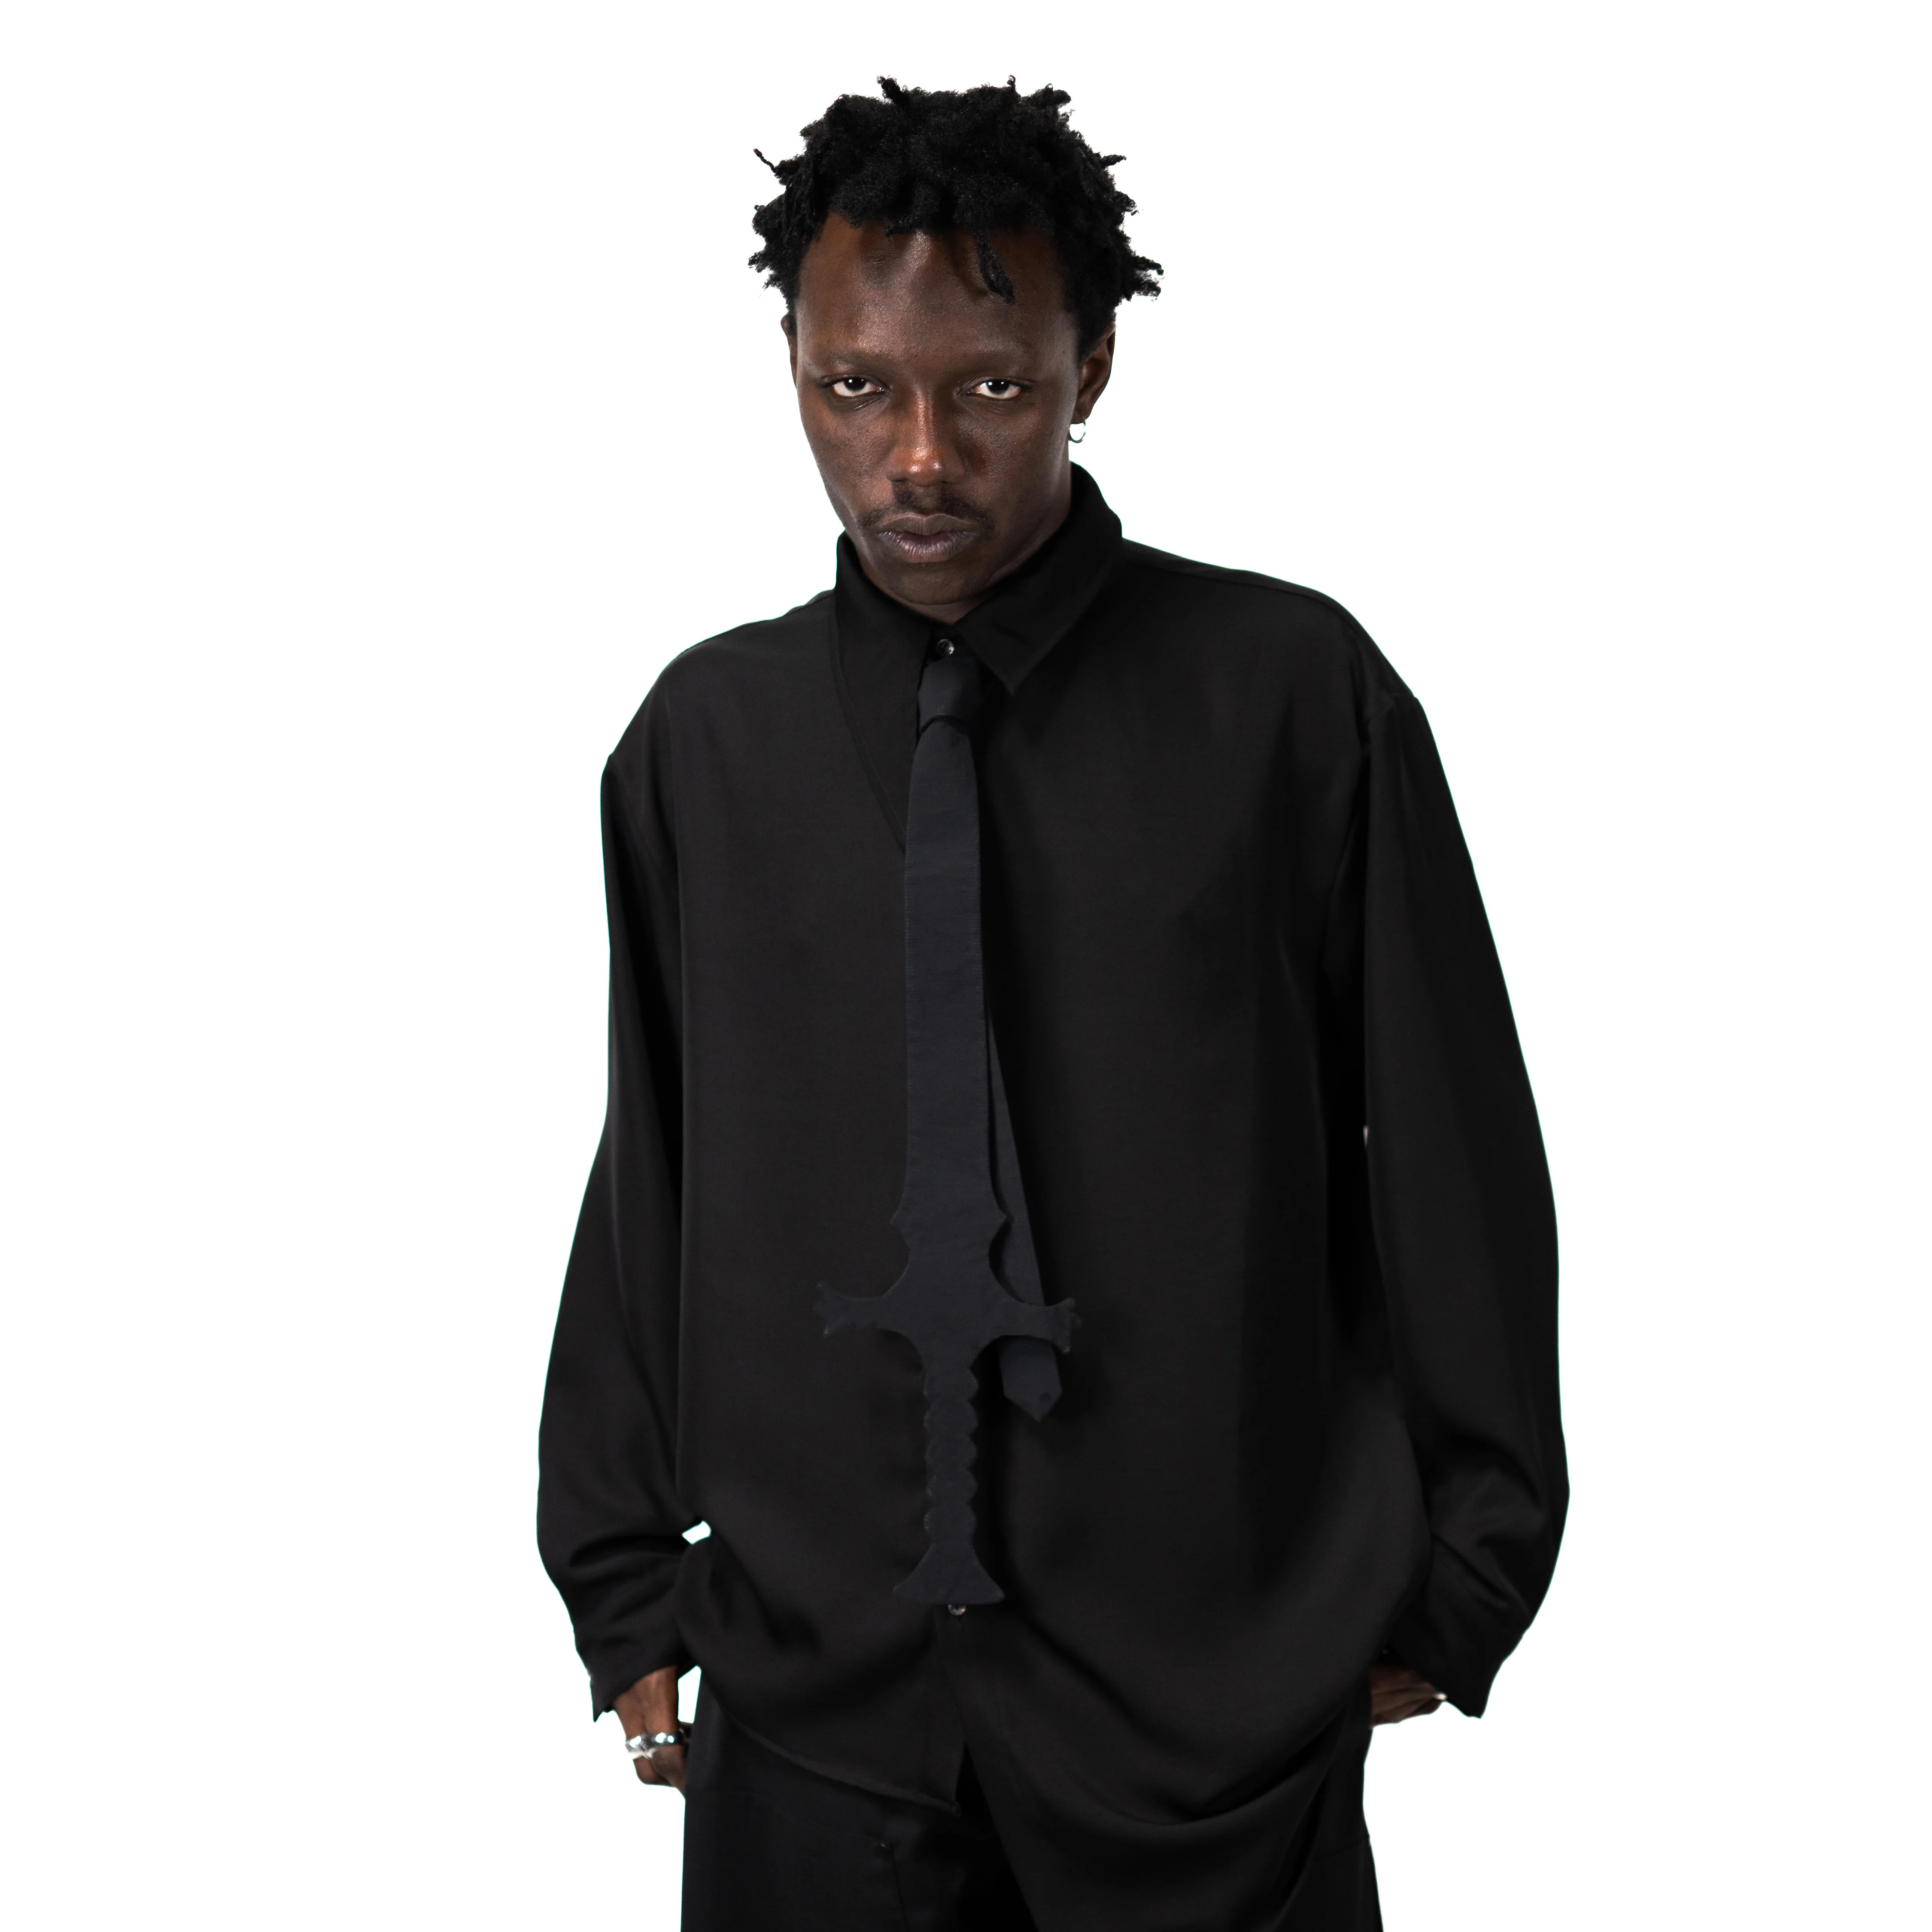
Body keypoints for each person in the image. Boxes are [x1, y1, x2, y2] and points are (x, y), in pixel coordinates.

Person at [538, 76, 1565, 1932]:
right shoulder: (706, 739)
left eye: (992, 386)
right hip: (818, 1706)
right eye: (857, 386)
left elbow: (1449, 1146)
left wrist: (1466, 1572)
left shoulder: (1290, 695)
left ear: (1091, 368)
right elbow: (656, 1155)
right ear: (794, 370)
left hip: (1209, 1714)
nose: (919, 455)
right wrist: (622, 1578)